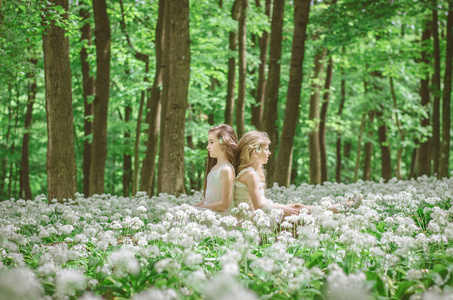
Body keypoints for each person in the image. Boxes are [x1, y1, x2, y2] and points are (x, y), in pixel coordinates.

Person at [234, 131, 362, 218]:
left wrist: (281, 208)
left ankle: (342, 207)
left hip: (258, 216)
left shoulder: (252, 172)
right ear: (255, 151)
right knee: (299, 212)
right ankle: (343, 208)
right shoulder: (249, 174)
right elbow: (259, 206)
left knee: (298, 207)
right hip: (253, 222)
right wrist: (283, 210)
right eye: (266, 149)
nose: (269, 153)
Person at [193, 124, 238, 214]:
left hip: (220, 216)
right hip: (208, 212)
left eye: (211, 142)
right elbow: (207, 200)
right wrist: (192, 207)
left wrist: (199, 209)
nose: (207, 146)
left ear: (224, 143)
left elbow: (224, 204)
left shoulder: (226, 170)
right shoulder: (214, 168)